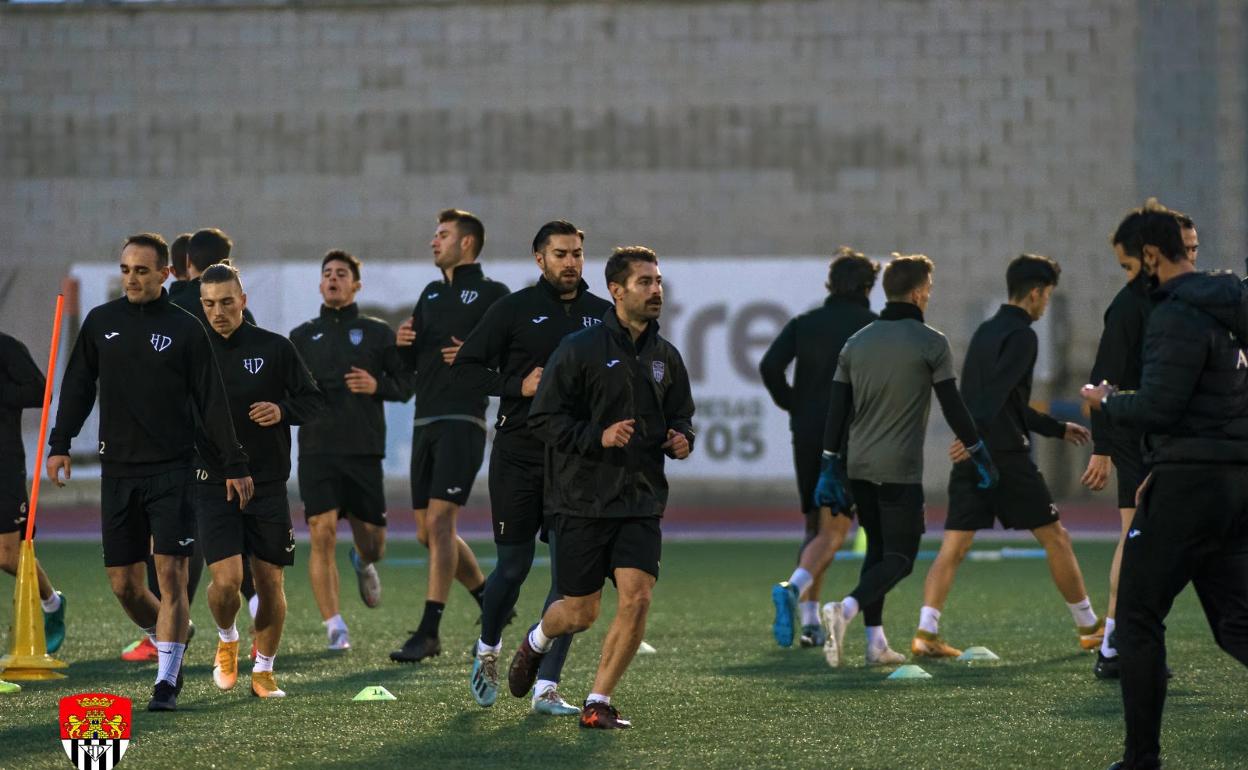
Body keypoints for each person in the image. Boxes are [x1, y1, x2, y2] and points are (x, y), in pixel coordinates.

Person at [47, 232, 253, 712]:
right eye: (125, 270)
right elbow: (77, 387)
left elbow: (213, 403)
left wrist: (234, 463)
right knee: (124, 585)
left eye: (142, 270)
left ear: (166, 273)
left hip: (174, 470)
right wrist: (60, 444)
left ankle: (167, 681)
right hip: (117, 471)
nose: (132, 279)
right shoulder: (101, 322)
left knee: (173, 575)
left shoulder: (187, 328)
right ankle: (171, 632)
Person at [1082, 208, 1248, 770]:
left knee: (1135, 616)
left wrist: (1106, 402)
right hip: (1233, 483)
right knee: (1235, 624)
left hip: (1189, 486)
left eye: (1132, 264)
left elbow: (1160, 405)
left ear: (1150, 256)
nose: (1132, 276)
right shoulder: (1230, 310)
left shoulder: (1176, 314)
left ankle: (1141, 759)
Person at [508, 246, 695, 730]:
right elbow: (544, 419)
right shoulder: (578, 349)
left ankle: (598, 701)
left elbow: (682, 414)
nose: (656, 290)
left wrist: (681, 437)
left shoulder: (666, 356)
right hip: (580, 500)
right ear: (616, 290)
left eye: (658, 281)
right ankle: (535, 640)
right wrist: (599, 436)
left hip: (640, 500)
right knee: (580, 612)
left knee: (637, 596)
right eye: (644, 282)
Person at [910, 255, 1102, 659]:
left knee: (954, 547)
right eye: (1047, 295)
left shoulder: (984, 332)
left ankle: (926, 633)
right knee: (1056, 538)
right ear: (1035, 293)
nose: (1046, 303)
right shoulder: (1024, 336)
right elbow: (998, 396)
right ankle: (1090, 628)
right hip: (1005, 457)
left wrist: (1055, 428)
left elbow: (994, 400)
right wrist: (976, 436)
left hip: (973, 455)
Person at [453, 220, 611, 712]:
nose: (571, 262)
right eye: (560, 254)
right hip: (519, 455)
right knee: (514, 566)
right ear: (539, 259)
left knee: (571, 579)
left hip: (576, 462)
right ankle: (488, 649)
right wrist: (517, 384)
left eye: (578, 253)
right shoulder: (514, 310)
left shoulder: (602, 316)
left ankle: (547, 686)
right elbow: (465, 370)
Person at [815, 254, 996, 668]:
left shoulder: (855, 343)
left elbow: (836, 411)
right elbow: (952, 405)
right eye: (929, 288)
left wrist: (829, 464)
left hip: (858, 465)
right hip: (899, 468)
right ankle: (845, 608)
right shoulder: (931, 341)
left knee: (877, 550)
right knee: (901, 557)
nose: (929, 295)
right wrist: (979, 451)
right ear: (917, 292)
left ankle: (875, 644)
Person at [123, 226, 258, 663]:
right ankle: (257, 622)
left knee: (173, 539)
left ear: (179, 268)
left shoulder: (171, 309)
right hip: (232, 439)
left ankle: (167, 626)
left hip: (176, 441)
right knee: (226, 535)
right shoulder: (241, 315)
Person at [196, 263, 325, 698]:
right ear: (201, 305)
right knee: (227, 583)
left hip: (268, 484)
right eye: (210, 304)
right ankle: (229, 637)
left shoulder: (275, 348)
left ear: (244, 301)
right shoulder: (190, 352)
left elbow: (313, 401)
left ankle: (264, 670)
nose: (219, 312)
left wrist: (283, 411)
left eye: (227, 302)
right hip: (214, 483)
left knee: (270, 584)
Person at [389, 209, 509, 663]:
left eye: (442, 235)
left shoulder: (494, 295)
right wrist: (404, 345)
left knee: (441, 524)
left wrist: (476, 358)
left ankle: (429, 631)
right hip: (426, 420)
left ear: (467, 244)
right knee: (426, 532)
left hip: (464, 420)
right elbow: (411, 367)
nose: (433, 241)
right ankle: (489, 599)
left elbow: (512, 360)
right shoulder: (431, 293)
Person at [291, 250, 414, 651]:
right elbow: (287, 393)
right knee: (321, 533)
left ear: (356, 284)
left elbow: (405, 384)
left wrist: (377, 386)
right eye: (327, 273)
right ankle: (335, 626)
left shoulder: (377, 333)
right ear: (320, 284)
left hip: (362, 452)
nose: (333, 279)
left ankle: (363, 562)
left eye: (341, 274)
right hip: (315, 451)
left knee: (374, 543)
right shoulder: (302, 336)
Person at [762, 247, 879, 649]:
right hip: (849, 436)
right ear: (867, 286)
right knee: (836, 529)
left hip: (807, 431)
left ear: (830, 285)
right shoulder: (872, 326)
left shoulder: (805, 323)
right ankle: (794, 590)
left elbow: (769, 367)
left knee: (814, 525)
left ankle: (810, 622)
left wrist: (794, 403)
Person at [1081, 208, 1154, 678]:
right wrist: (1103, 446)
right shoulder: (1129, 305)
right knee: (1137, 537)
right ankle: (1113, 643)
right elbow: (1100, 382)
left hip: (1170, 437)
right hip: (1139, 438)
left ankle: (1120, 643)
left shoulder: (1184, 300)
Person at [0, 331, 65, 654]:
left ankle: (52, 604)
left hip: (4, 465)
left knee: (8, 557)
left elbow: (41, 391)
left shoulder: (7, 347)